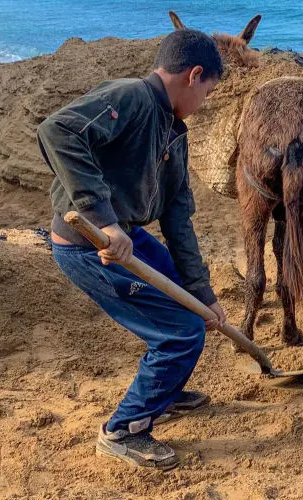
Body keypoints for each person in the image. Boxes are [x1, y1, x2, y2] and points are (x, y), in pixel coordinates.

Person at [36, 29, 226, 470]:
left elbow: (178, 218)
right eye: (209, 92)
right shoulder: (131, 97)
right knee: (181, 333)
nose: (205, 102)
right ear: (194, 75)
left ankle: (165, 392)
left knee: (190, 307)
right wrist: (103, 219)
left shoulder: (172, 131)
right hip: (90, 246)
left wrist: (203, 293)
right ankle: (123, 430)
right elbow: (57, 131)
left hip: (124, 238)